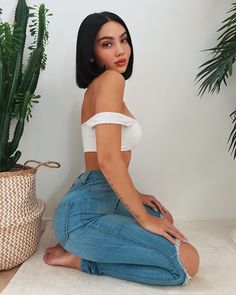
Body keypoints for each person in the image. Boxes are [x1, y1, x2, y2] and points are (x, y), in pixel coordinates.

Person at [44, 11, 199, 286]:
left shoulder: (100, 86)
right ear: (91, 54)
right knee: (187, 262)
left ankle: (79, 244)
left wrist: (137, 196)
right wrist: (142, 218)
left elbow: (104, 157)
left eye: (123, 40)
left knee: (164, 218)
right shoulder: (110, 81)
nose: (120, 50)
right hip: (84, 215)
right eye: (107, 44)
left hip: (101, 195)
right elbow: (106, 158)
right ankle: (80, 259)